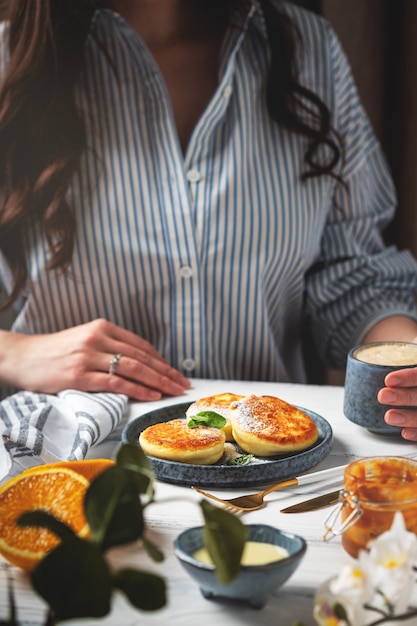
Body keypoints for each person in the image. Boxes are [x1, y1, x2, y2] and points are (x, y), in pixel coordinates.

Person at [1, 0, 417, 439]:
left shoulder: (308, 50)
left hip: (272, 483)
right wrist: (15, 354)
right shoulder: (11, 66)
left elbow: (352, 274)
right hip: (73, 472)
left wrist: (407, 363)